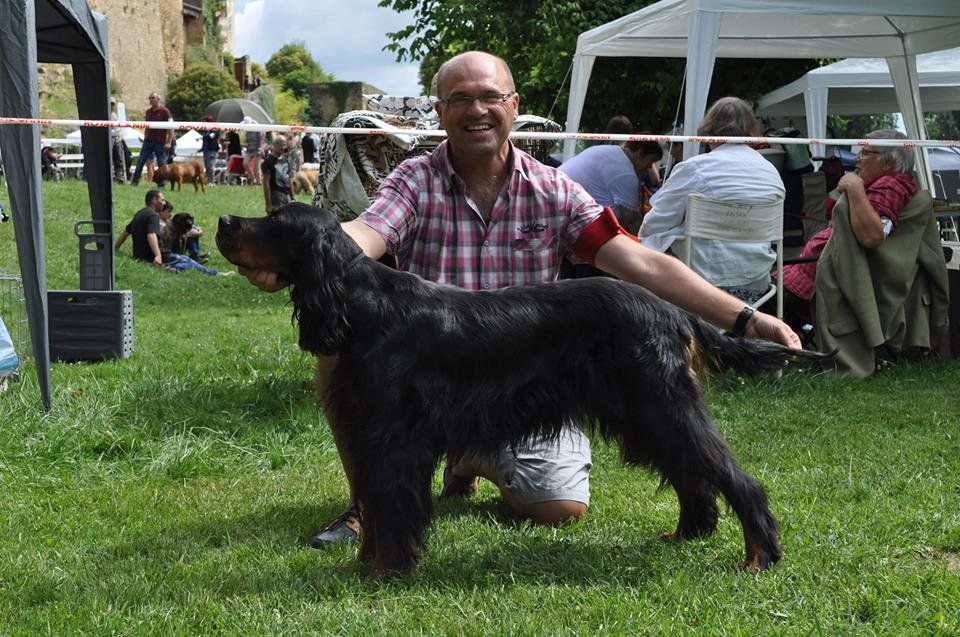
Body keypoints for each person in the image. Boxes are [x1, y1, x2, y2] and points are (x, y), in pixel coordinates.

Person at [239, 52, 800, 549]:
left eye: (489, 97)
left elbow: (644, 262)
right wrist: (302, 260)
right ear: (440, 112)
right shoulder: (414, 180)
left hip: (525, 374)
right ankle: (372, 504)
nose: (476, 110)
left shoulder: (551, 187)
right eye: (460, 99)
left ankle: (733, 512)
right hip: (436, 368)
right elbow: (366, 233)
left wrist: (745, 317)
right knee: (343, 354)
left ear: (513, 105)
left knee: (579, 491)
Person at [639, 97, 786, 304]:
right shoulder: (772, 173)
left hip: (702, 287)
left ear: (708, 131)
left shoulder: (695, 168)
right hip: (757, 285)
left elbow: (653, 224)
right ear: (750, 130)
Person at [780, 130, 920, 332]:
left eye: (865, 153)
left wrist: (854, 187)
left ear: (887, 163)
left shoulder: (890, 186)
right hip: (816, 274)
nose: (857, 158)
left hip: (821, 280)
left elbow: (873, 236)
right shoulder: (884, 184)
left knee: (759, 295)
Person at [559, 139, 663, 235]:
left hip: (558, 205)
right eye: (651, 161)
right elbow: (632, 220)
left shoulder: (610, 152)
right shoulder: (626, 173)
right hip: (566, 215)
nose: (650, 167)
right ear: (639, 154)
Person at [130, 92, 173, 187]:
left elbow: (171, 127)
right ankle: (134, 182)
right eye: (150, 98)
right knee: (140, 161)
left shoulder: (165, 111)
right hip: (148, 141)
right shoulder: (148, 112)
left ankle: (161, 184)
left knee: (162, 164)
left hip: (160, 142)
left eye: (153, 97)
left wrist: (169, 142)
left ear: (158, 99)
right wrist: (145, 139)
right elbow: (147, 126)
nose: (151, 99)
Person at [115, 189, 167, 266]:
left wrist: (115, 248)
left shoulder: (140, 213)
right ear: (155, 200)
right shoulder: (153, 215)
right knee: (188, 263)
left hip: (138, 257)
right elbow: (151, 235)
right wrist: (158, 256)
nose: (164, 203)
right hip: (150, 258)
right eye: (162, 200)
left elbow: (125, 232)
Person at [262, 135, 292, 213]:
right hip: (275, 195)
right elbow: (266, 183)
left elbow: (289, 178)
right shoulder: (268, 161)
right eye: (280, 145)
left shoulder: (286, 159)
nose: (283, 147)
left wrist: (292, 197)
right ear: (274, 145)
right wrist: (268, 203)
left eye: (284, 145)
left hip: (286, 195)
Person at [200, 115, 220, 186]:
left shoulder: (215, 129)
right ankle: (209, 180)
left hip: (212, 150)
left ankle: (212, 181)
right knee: (207, 166)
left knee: (211, 166)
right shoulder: (206, 130)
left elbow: (211, 137)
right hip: (206, 150)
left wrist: (202, 137)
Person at [242, 116, 263, 186]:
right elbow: (247, 140)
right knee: (245, 163)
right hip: (249, 149)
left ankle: (258, 182)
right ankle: (252, 178)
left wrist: (260, 148)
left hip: (257, 149)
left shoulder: (257, 128)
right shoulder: (247, 130)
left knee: (256, 168)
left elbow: (261, 139)